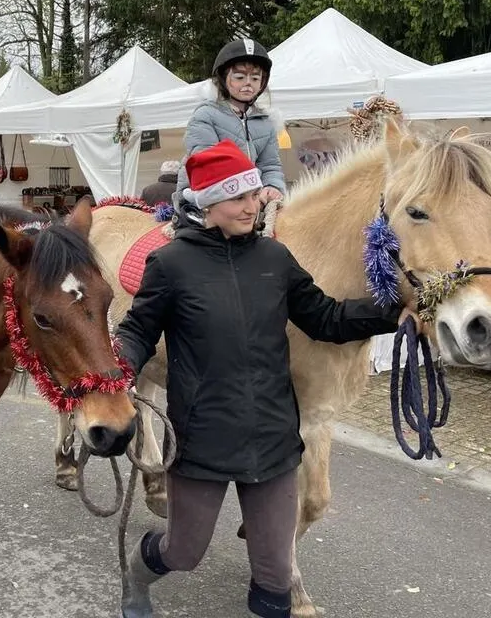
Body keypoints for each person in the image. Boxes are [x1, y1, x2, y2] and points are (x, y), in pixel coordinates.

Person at [116, 140, 418, 618]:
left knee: (276, 579)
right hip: (204, 440)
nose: (251, 206)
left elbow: (325, 317)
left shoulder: (275, 259)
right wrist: (115, 373)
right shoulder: (171, 264)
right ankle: (137, 577)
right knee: (183, 552)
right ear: (208, 203)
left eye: (254, 194)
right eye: (237, 197)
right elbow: (137, 330)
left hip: (273, 442)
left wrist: (395, 310)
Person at [175, 38, 286, 208]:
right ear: (223, 78)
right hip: (205, 198)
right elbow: (208, 164)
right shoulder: (205, 115)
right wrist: (249, 192)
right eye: (240, 77)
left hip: (250, 200)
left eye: (255, 78)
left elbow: (270, 165)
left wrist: (272, 186)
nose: (248, 83)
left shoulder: (266, 123)